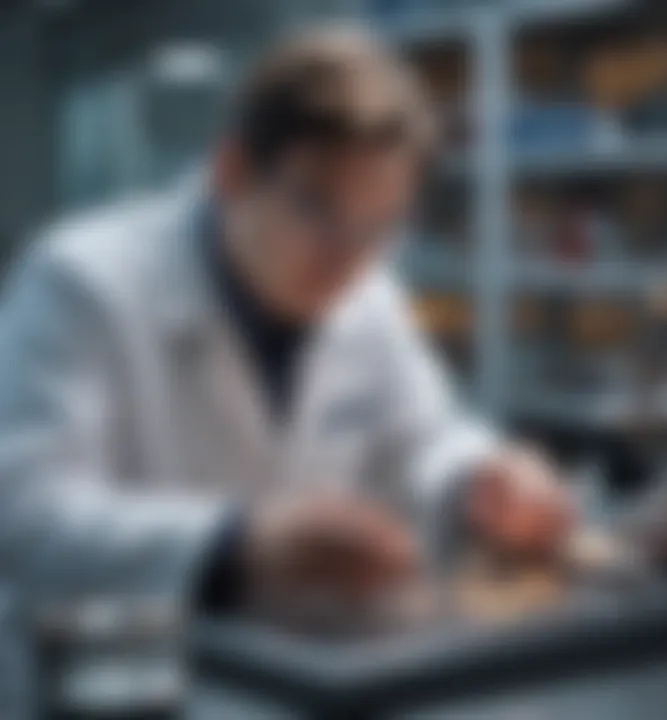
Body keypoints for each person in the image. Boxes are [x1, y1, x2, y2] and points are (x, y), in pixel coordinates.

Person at [0, 25, 571, 713]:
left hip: (297, 686)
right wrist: (239, 542)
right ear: (234, 170)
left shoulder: (367, 296)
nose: (348, 255)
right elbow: (25, 512)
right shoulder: (82, 279)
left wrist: (479, 480)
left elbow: (423, 438)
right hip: (115, 688)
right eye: (318, 208)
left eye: (379, 223)